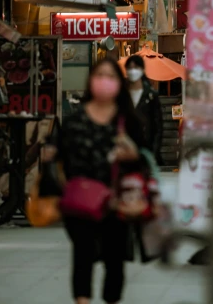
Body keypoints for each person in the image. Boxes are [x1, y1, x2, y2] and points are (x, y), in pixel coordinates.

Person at [43, 59, 145, 304]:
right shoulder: (74, 119)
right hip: (80, 201)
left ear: (119, 84)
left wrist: (131, 154)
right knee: (82, 257)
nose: (104, 81)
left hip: (115, 202)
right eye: (99, 75)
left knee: (115, 261)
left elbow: (141, 158)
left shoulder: (127, 121)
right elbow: (57, 152)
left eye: (110, 76)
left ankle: (111, 299)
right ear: (90, 81)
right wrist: (50, 154)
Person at [125, 54, 163, 166]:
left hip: (146, 149)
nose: (133, 71)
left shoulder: (151, 95)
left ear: (142, 70)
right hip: (126, 148)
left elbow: (158, 126)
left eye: (136, 68)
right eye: (130, 68)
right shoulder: (122, 94)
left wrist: (154, 152)